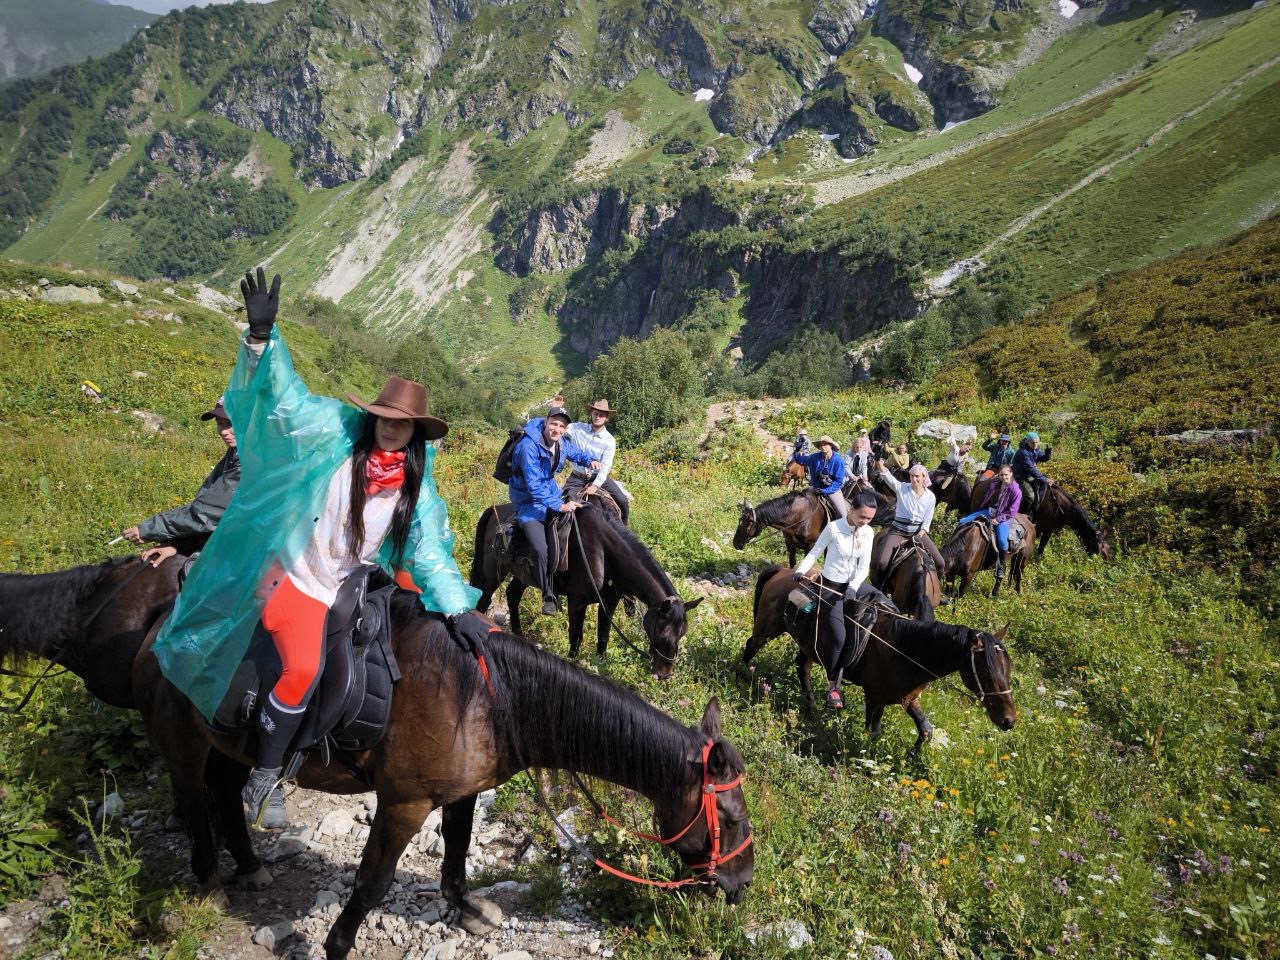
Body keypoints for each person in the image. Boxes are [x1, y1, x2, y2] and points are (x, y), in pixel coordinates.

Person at [151, 268, 495, 826]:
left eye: (402, 425)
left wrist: (459, 607)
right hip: (299, 575)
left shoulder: (415, 486)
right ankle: (266, 770)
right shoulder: (334, 433)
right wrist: (262, 340)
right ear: (373, 416)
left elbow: (429, 551)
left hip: (355, 582)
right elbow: (284, 403)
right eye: (385, 419)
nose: (391, 430)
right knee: (302, 665)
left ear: (415, 435)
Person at [122, 398, 239, 565]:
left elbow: (206, 512)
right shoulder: (236, 453)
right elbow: (214, 512)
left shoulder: (251, 461)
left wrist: (148, 530)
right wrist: (178, 545)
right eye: (220, 423)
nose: (224, 431)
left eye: (230, 423)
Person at [793, 489, 879, 710]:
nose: (865, 522)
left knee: (882, 605)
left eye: (870, 518)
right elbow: (815, 552)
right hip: (830, 586)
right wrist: (801, 570)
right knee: (839, 636)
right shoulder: (833, 528)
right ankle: (833, 686)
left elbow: (864, 566)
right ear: (851, 510)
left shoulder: (868, 532)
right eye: (862, 517)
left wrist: (852, 587)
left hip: (853, 586)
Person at [509, 404, 598, 616]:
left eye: (562, 426)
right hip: (528, 502)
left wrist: (590, 460)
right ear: (546, 423)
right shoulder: (528, 447)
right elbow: (533, 485)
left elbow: (574, 452)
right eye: (554, 424)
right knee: (541, 549)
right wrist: (559, 505)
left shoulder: (559, 444)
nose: (557, 429)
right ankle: (549, 595)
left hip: (551, 493)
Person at [872, 459, 945, 585]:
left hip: (917, 532)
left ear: (923, 478)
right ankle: (880, 589)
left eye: (917, 476)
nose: (914, 479)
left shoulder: (930, 497)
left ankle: (936, 589)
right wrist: (878, 460)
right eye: (911, 476)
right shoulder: (902, 488)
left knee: (940, 563)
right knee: (882, 562)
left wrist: (920, 534)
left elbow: (927, 520)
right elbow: (887, 476)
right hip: (897, 531)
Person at [563, 399, 628, 523]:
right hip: (577, 477)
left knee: (622, 501)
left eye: (601, 415)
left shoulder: (609, 440)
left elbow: (606, 465)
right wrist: (556, 410)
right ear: (591, 414)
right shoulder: (577, 428)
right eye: (595, 413)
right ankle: (559, 536)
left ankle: (623, 530)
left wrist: (595, 485)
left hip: (597, 478)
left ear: (606, 418)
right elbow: (560, 428)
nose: (598, 417)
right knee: (563, 502)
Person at [957, 463, 1022, 584]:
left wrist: (998, 519)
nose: (1004, 477)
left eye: (1006, 475)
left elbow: (1012, 511)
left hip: (1004, 517)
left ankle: (1001, 566)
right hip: (989, 511)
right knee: (962, 521)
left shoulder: (1016, 490)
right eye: (1001, 475)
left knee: (1002, 541)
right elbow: (987, 497)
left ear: (1011, 474)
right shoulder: (996, 484)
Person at [794, 435, 848, 518]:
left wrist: (825, 491)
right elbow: (801, 460)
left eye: (825, 444)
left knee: (843, 515)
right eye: (821, 445)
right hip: (816, 488)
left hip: (832, 490)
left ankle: (847, 529)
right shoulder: (815, 457)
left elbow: (838, 482)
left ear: (831, 446)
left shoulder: (838, 460)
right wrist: (797, 451)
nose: (823, 446)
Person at [1013, 431, 1053, 511]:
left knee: (1044, 484)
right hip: (1021, 477)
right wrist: (1045, 479)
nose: (1035, 444)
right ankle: (1022, 513)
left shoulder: (1035, 449)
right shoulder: (1023, 452)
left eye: (1036, 442)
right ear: (1027, 442)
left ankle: (1036, 508)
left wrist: (1048, 452)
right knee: (1029, 496)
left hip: (1030, 475)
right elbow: (1031, 469)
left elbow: (1043, 458)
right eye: (1032, 443)